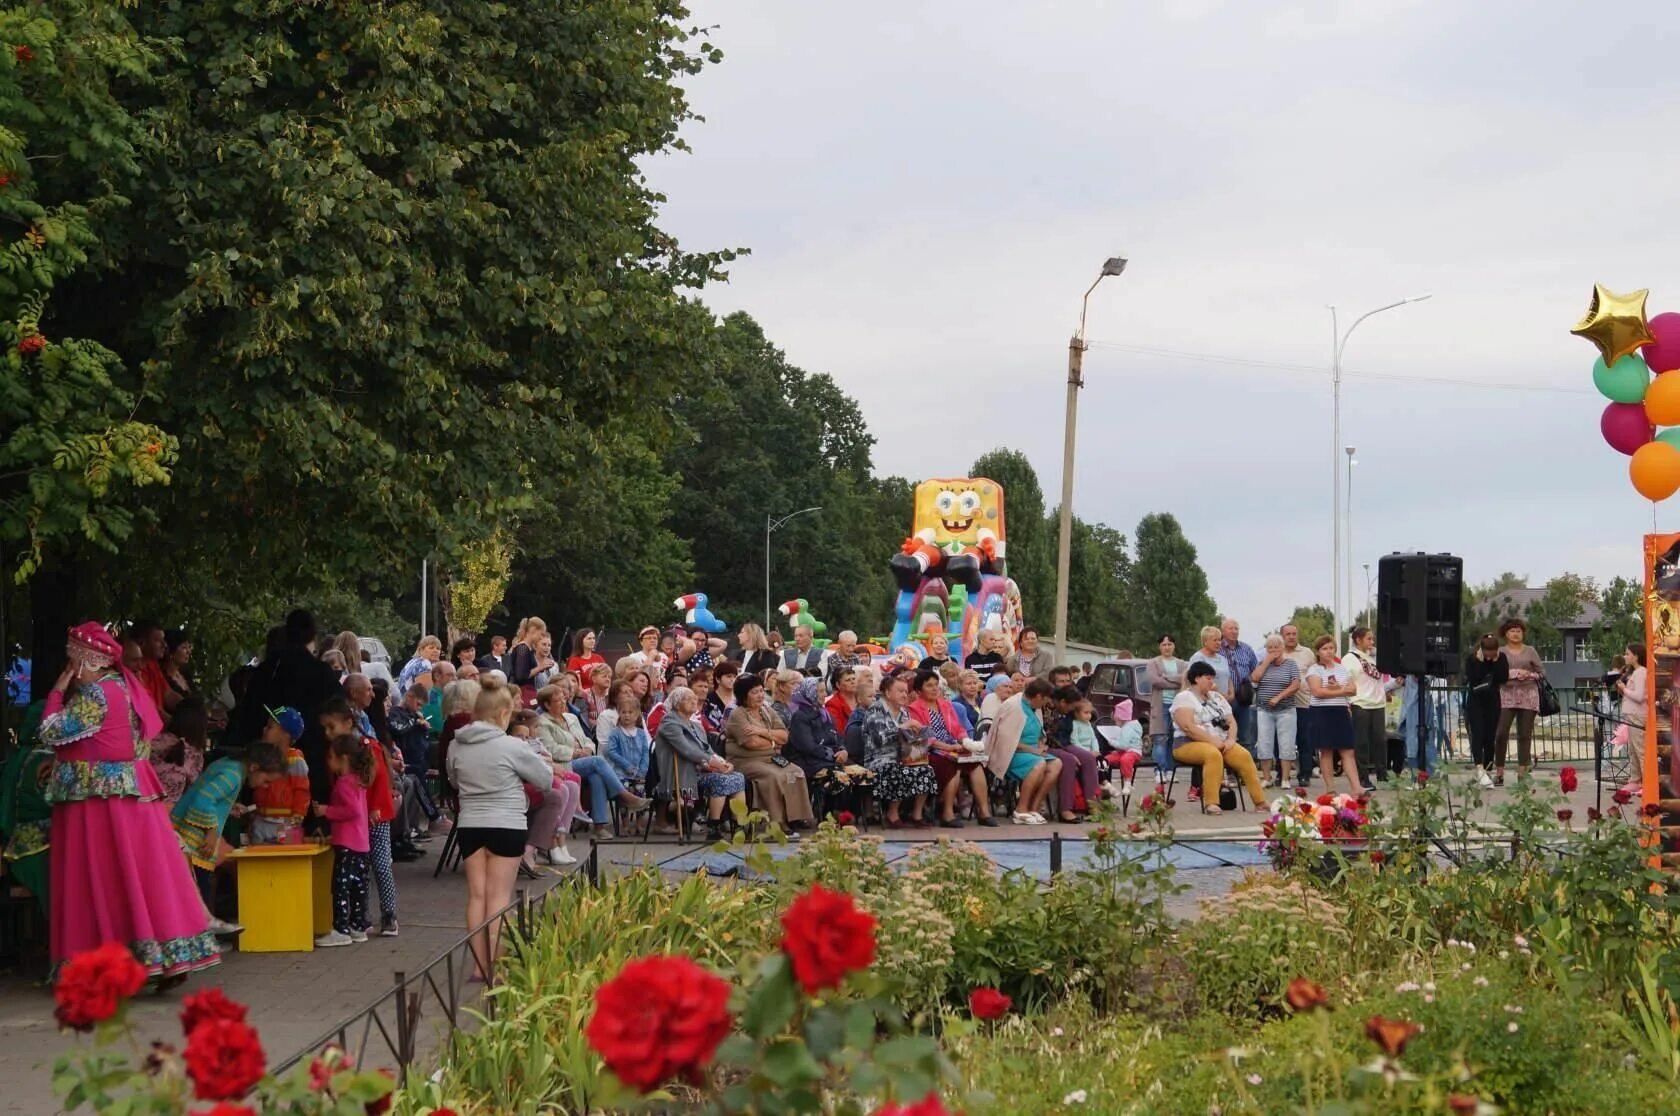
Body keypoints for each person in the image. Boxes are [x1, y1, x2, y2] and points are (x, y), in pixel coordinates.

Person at [40, 623, 219, 982]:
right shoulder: (127, 689)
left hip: (99, 804)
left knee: (102, 878)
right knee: (141, 877)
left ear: (83, 660)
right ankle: (160, 956)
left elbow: (51, 731)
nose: (70, 668)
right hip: (133, 797)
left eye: (72, 660)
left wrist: (57, 692)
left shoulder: (94, 695)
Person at [446, 677, 557, 976]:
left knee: (477, 896)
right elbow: (545, 780)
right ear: (504, 714)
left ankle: (478, 966)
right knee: (498, 897)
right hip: (506, 823)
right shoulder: (511, 745)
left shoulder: (457, 744)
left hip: (470, 824)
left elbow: (453, 780)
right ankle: (495, 965)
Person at [172, 743, 287, 932]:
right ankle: (203, 938)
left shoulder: (229, 765)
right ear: (254, 767)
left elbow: (212, 795)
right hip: (194, 838)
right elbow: (204, 798)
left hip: (186, 833)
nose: (264, 786)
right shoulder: (233, 775)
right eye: (266, 781)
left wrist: (229, 806)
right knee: (201, 886)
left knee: (198, 885)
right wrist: (210, 832)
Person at [321, 695, 400, 936]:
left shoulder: (366, 746)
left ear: (348, 722)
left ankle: (389, 915)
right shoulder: (340, 751)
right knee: (360, 870)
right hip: (357, 818)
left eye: (331, 727)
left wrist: (375, 807)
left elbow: (378, 779)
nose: (327, 733)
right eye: (325, 728)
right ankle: (360, 917)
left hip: (375, 815)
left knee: (380, 863)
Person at [535, 681, 633, 849]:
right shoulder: (543, 722)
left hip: (583, 760)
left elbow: (587, 738)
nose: (563, 702)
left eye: (563, 699)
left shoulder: (571, 717)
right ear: (546, 704)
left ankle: (599, 826)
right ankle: (624, 796)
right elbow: (550, 749)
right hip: (562, 764)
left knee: (596, 776)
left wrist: (588, 748)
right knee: (597, 762)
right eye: (557, 700)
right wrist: (576, 753)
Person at [1169, 661, 1267, 814]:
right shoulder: (1184, 697)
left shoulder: (1216, 697)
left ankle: (1260, 802)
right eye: (1208, 678)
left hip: (1221, 742)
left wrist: (1231, 740)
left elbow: (1231, 721)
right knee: (1212, 754)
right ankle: (1212, 803)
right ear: (1197, 679)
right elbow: (1188, 727)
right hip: (1187, 744)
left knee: (1244, 755)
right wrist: (1213, 741)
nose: (1212, 682)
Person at [652, 687, 748, 841]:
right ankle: (714, 826)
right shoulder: (669, 723)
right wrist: (713, 763)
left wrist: (723, 763)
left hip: (702, 770)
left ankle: (739, 826)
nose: (693, 700)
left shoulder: (696, 725)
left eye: (694, 697)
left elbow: (708, 750)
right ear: (677, 704)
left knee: (737, 777)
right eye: (687, 698)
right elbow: (687, 750)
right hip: (683, 775)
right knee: (721, 780)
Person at [725, 674, 815, 830]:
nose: (760, 695)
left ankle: (795, 817)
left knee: (795, 772)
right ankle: (776, 822)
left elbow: (785, 736)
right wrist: (774, 742)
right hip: (745, 761)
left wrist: (761, 731)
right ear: (744, 695)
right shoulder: (738, 714)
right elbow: (752, 743)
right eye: (754, 692)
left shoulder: (766, 710)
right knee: (774, 776)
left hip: (771, 758)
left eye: (761, 691)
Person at [908, 670, 996, 828]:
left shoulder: (945, 704)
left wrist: (965, 741)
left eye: (936, 685)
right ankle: (947, 814)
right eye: (929, 686)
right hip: (929, 751)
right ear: (919, 690)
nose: (935, 689)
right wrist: (948, 747)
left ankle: (984, 812)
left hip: (952, 746)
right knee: (951, 766)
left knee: (976, 765)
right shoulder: (914, 709)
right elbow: (924, 737)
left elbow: (957, 728)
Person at [313, 734, 375, 947]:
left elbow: (352, 811)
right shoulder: (358, 781)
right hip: (360, 843)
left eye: (331, 757)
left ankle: (341, 928)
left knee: (340, 887)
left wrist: (326, 811)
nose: (328, 762)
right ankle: (358, 926)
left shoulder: (343, 783)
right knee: (358, 887)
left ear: (344, 759)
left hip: (348, 846)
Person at [854, 673, 936, 827]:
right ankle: (892, 813)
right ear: (887, 693)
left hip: (902, 756)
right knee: (897, 769)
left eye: (906, 691)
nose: (904, 695)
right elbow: (880, 739)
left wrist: (918, 735)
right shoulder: (875, 710)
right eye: (900, 691)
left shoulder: (903, 712)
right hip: (878, 759)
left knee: (926, 769)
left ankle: (916, 814)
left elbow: (906, 739)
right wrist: (902, 728)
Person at [982, 677, 1059, 824]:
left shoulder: (1035, 707)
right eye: (1045, 699)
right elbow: (1007, 741)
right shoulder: (1013, 706)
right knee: (1039, 764)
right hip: (1010, 754)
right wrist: (1033, 750)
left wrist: (1041, 744)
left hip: (1032, 752)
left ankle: (1034, 808)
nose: (1046, 703)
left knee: (1056, 764)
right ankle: (1021, 809)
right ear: (1038, 697)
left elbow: (1038, 732)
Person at [1305, 635, 1363, 796]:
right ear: (1318, 652)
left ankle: (1356, 787)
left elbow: (1353, 689)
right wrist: (1341, 690)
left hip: (1340, 711)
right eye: (1325, 649)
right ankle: (1330, 787)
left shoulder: (1341, 668)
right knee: (1326, 750)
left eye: (1331, 648)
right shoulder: (1314, 670)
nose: (1329, 652)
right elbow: (1318, 692)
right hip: (1322, 712)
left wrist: (1338, 690)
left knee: (1348, 750)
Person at [248, 705, 313, 843]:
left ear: (286, 734)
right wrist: (251, 811)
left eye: (270, 727)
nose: (264, 730)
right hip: (260, 821)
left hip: (285, 824)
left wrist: (297, 817)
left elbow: (301, 790)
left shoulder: (295, 760)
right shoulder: (262, 757)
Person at [1493, 618, 1543, 785]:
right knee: (1500, 734)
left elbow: (1541, 672)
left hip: (1528, 695)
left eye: (1519, 631)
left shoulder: (1530, 651)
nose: (1516, 634)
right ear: (1506, 633)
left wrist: (1529, 674)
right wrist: (1512, 674)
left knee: (1524, 735)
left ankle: (1522, 773)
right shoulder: (1500, 651)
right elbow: (1495, 672)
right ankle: (1499, 771)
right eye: (1512, 631)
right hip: (1506, 696)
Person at [1250, 634, 1302, 788]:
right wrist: (1267, 661)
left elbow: (1295, 684)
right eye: (1270, 647)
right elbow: (1254, 678)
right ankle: (1267, 778)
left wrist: (1279, 697)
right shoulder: (1262, 663)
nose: (1273, 650)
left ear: (1283, 648)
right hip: (1264, 710)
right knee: (1264, 743)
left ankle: (1285, 778)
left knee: (1287, 743)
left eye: (1276, 647)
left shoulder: (1290, 664)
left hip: (1286, 709)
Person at [1044, 684, 1101, 822]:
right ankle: (1065, 809)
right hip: (1049, 745)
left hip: (1066, 742)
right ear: (1063, 702)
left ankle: (1092, 804)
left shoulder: (1069, 709)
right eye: (1071, 707)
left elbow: (1091, 714)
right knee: (1069, 760)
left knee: (1088, 758)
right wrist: (1068, 752)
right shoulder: (1046, 709)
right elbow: (1048, 735)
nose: (1072, 710)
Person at [1341, 626, 1389, 787]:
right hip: (1360, 702)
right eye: (1368, 639)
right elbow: (1346, 680)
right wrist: (1347, 701)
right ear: (1358, 640)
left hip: (1377, 702)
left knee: (1380, 740)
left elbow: (1379, 679)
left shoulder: (1373, 657)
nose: (1372, 642)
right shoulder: (1349, 659)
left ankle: (1383, 774)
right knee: (1362, 742)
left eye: (1372, 639)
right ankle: (1363, 777)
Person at [785, 677, 849, 795]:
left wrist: (842, 750)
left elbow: (837, 736)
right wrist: (833, 756)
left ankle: (852, 812)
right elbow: (807, 746)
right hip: (808, 760)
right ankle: (827, 812)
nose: (825, 694)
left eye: (825, 691)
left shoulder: (824, 713)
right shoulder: (800, 716)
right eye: (820, 691)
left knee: (860, 774)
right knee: (840, 777)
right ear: (810, 692)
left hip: (826, 758)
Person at [151, 699, 209, 808]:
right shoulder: (194, 754)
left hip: (137, 805)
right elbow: (193, 791)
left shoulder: (154, 740)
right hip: (167, 814)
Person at [1280, 624, 1317, 784]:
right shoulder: (1277, 652)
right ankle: (1282, 774)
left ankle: (1305, 774)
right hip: (1282, 705)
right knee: (1282, 741)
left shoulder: (1307, 653)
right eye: (1288, 634)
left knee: (1305, 740)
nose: (1291, 637)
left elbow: (1315, 674)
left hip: (1304, 703)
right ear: (1282, 635)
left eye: (1294, 633)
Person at [1145, 635, 1187, 770]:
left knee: (1173, 739)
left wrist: (1166, 677)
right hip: (1160, 705)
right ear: (1159, 647)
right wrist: (1176, 681)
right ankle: (1160, 771)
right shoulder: (1153, 663)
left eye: (1169, 644)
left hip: (1176, 706)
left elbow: (1185, 680)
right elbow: (1156, 681)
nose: (1167, 647)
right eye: (1164, 645)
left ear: (1174, 646)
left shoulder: (1182, 664)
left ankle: (1170, 770)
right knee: (1160, 739)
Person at [1219, 618, 1260, 753]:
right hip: (1223, 699)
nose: (1234, 631)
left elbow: (1255, 669)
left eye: (1236, 628)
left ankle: (1243, 770)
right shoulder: (1217, 648)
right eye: (1230, 628)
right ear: (1223, 630)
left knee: (1245, 736)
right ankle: (1229, 770)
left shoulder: (1246, 649)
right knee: (1224, 734)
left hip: (1243, 698)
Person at [1615, 642, 1648, 792]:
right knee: (1633, 750)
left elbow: (1640, 696)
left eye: (1628, 654)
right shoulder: (1635, 672)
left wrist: (1624, 689)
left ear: (1636, 656)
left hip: (1638, 715)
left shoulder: (1641, 672)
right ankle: (1635, 780)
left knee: (1640, 749)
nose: (1625, 656)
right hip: (1631, 715)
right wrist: (1623, 690)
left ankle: (1646, 782)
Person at [605, 691, 651, 793]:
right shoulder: (615, 733)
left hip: (639, 774)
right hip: (621, 773)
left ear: (637, 714)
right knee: (626, 793)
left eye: (630, 712)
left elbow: (645, 753)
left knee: (640, 792)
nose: (627, 715)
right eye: (623, 712)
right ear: (619, 713)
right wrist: (627, 766)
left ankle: (640, 808)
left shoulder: (641, 733)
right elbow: (612, 752)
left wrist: (643, 770)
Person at [1105, 699, 1144, 796]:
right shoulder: (1130, 725)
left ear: (1120, 718)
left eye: (1116, 720)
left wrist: (1111, 742)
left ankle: (1127, 782)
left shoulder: (1128, 728)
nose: (1115, 722)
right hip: (1125, 751)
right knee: (1106, 759)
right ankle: (1105, 782)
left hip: (1133, 752)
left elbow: (1124, 745)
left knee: (1125, 759)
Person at [162, 630, 195, 712]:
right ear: (171, 651)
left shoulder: (185, 674)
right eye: (184, 647)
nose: (188, 652)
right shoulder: (162, 677)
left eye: (189, 647)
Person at [825, 667, 860, 735]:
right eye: (848, 680)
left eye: (854, 679)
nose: (853, 682)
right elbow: (839, 731)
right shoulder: (833, 704)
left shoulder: (862, 697)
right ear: (838, 685)